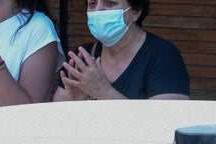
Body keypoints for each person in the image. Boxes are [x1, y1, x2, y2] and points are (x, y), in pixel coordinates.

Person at [53, 0, 189, 101]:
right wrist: (76, 103)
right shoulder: (82, 57)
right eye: (92, 3)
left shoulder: (163, 56)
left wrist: (103, 91)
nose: (98, 10)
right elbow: (56, 122)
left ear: (136, 12)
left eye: (110, 3)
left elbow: (165, 123)